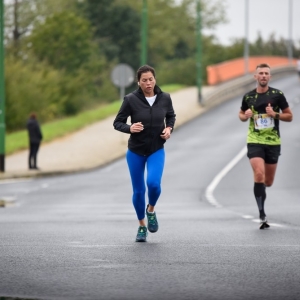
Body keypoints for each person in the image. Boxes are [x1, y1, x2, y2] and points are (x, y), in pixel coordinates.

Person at [113, 65, 176, 242]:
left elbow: (171, 116)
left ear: (155, 79)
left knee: (154, 184)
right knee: (139, 191)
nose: (148, 83)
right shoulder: (130, 100)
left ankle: (151, 210)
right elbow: (117, 122)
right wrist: (130, 128)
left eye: (151, 79)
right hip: (135, 152)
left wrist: (169, 128)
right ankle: (142, 226)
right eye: (144, 80)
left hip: (156, 149)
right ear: (138, 82)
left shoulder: (165, 98)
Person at [239, 63, 293, 229]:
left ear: (269, 77)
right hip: (254, 140)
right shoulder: (248, 97)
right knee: (259, 174)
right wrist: (245, 115)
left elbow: (289, 116)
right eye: (260, 73)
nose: (263, 76)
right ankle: (262, 214)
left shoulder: (277, 95)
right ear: (255, 77)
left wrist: (274, 114)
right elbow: (241, 114)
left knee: (268, 182)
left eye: (266, 73)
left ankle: (262, 192)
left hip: (273, 142)